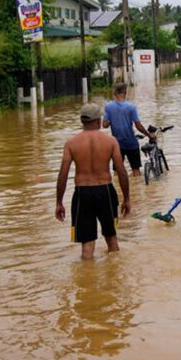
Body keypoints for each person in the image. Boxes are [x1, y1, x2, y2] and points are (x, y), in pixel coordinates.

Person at [56, 103, 131, 257]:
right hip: (105, 192)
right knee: (111, 239)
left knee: (87, 244)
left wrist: (59, 202)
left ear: (82, 121)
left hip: (82, 193)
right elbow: (122, 172)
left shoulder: (71, 143)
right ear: (98, 120)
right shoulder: (111, 142)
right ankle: (115, 277)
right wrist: (127, 198)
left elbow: (62, 174)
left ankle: (87, 279)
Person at [103, 83, 155, 177]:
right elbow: (138, 126)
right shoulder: (131, 107)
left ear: (114, 93)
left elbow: (105, 125)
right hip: (131, 143)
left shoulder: (108, 107)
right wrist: (149, 135)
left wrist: (113, 118)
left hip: (116, 145)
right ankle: (137, 189)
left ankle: (118, 190)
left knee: (117, 171)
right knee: (136, 171)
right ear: (125, 93)